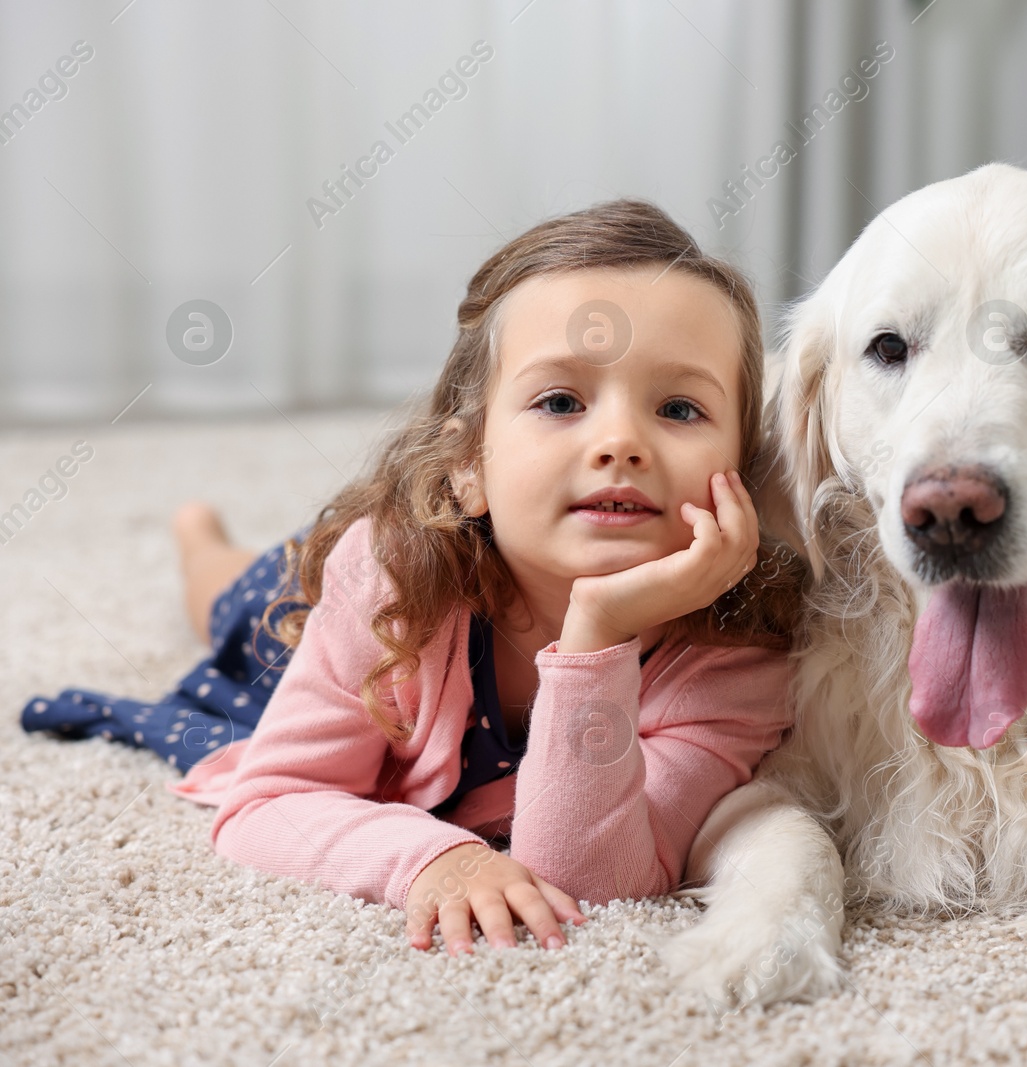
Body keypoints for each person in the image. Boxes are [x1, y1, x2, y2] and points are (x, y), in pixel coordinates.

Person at [20, 199, 808, 959]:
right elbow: (269, 803)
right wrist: (434, 859)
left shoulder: (737, 660)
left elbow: (589, 878)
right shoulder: (389, 578)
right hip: (351, 596)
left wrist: (596, 627)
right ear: (468, 467)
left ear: (744, 473)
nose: (621, 441)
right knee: (232, 603)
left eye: (678, 409)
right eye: (561, 399)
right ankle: (199, 535)